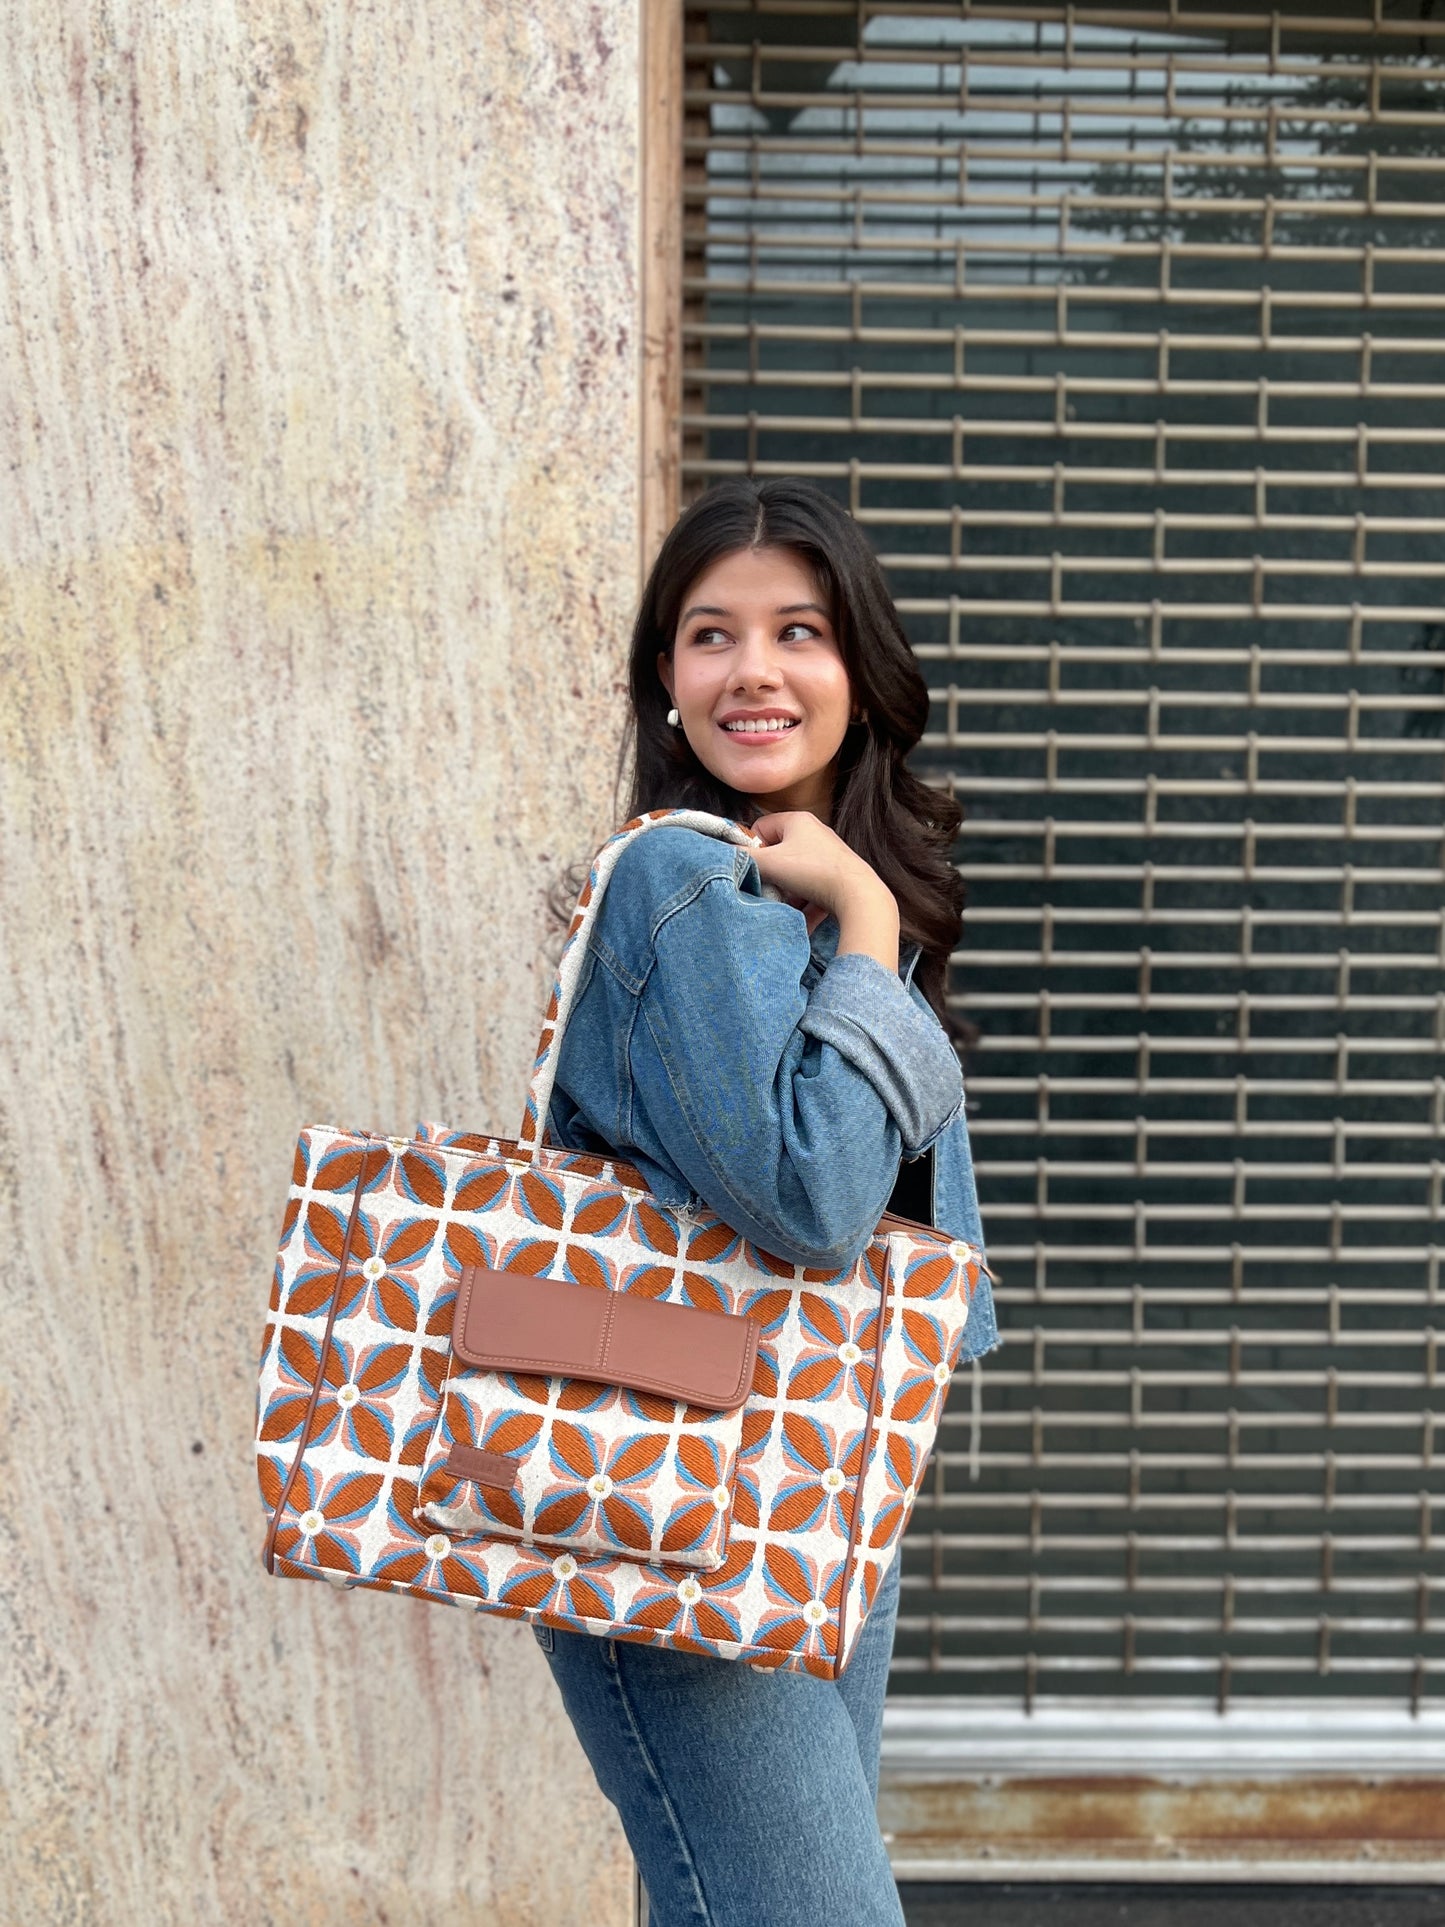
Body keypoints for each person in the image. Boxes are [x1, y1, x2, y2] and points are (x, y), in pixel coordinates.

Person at [533, 477, 997, 1927]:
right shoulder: (688, 882)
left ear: (857, 667)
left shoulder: (785, 884)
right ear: (664, 683)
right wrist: (867, 921)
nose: (753, 669)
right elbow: (806, 1198)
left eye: (797, 629)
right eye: (708, 634)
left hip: (802, 1469)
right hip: (671, 1482)